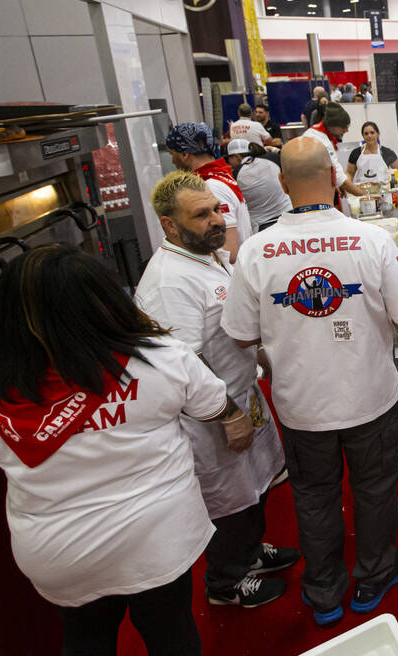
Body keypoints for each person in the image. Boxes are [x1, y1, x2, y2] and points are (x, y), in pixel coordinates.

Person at [0, 245, 254, 655]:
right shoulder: (157, 357)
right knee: (170, 630)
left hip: (58, 552)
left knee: (86, 636)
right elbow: (215, 406)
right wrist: (237, 421)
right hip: (157, 539)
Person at [221, 138, 398, 626]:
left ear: (282, 184)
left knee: (313, 495)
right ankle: (374, 576)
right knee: (375, 488)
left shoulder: (256, 250)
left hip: (301, 403)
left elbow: (240, 335)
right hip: (369, 395)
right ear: (335, 178)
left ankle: (324, 591)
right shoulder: (371, 240)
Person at [136, 171, 294, 608]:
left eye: (217, 210)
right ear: (170, 225)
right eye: (201, 215)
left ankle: (249, 553)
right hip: (212, 416)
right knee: (228, 502)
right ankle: (226, 584)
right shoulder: (169, 282)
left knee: (255, 486)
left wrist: (261, 359)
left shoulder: (207, 258)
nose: (216, 220)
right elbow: (181, 364)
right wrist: (228, 414)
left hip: (241, 393)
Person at [166, 122, 251, 264]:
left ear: (185, 154)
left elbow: (229, 251)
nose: (173, 161)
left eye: (172, 154)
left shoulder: (211, 186)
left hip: (230, 277)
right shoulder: (220, 175)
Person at [301, 101, 366, 198]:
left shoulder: (317, 133)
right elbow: (340, 178)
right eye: (344, 127)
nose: (346, 130)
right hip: (310, 190)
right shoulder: (320, 140)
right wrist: (366, 196)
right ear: (333, 124)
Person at [226, 140, 293, 232]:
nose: (229, 163)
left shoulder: (236, 173)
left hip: (261, 227)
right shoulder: (272, 158)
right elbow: (291, 157)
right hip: (289, 216)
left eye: (228, 159)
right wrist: (273, 149)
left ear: (236, 156)